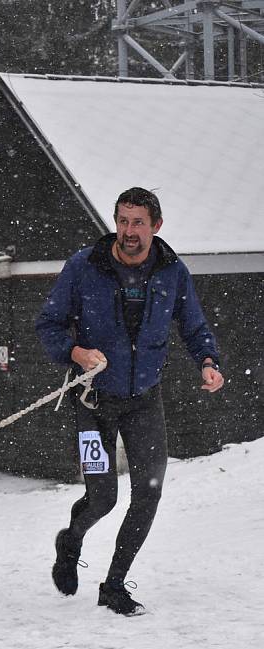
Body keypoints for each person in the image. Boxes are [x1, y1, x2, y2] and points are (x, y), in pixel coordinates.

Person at [36, 187, 224, 616]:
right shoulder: (84, 267)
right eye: (122, 220)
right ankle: (71, 539)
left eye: (138, 222)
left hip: (144, 401)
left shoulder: (172, 272)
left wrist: (208, 361)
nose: (128, 231)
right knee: (102, 497)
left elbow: (194, 327)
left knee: (148, 494)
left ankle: (114, 584)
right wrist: (76, 352)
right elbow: (48, 324)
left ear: (156, 226)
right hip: (93, 401)